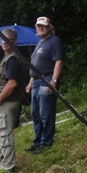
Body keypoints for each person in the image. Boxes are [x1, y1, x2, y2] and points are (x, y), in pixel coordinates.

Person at [25, 16, 64, 153]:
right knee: (35, 113)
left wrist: (53, 81)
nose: (40, 28)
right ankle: (37, 141)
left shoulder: (54, 41)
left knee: (45, 113)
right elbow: (35, 66)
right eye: (38, 26)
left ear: (49, 27)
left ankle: (46, 142)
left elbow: (58, 61)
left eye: (43, 25)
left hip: (46, 80)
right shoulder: (39, 43)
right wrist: (30, 82)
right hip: (36, 81)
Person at [0, 28, 27, 172]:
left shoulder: (12, 59)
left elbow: (12, 83)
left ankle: (8, 167)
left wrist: (0, 98)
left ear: (14, 42)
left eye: (9, 40)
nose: (5, 42)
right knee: (0, 133)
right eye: (3, 39)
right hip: (6, 101)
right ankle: (2, 163)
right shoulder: (8, 57)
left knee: (4, 133)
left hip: (7, 101)